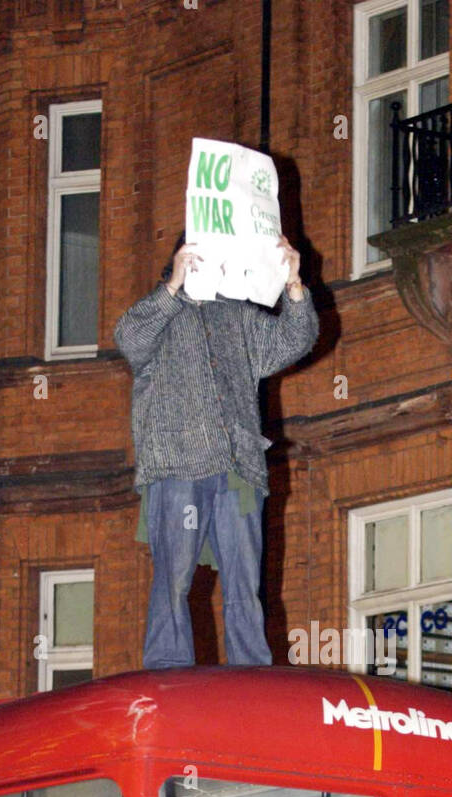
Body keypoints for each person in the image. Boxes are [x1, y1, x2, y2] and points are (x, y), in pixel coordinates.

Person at [115, 232, 318, 668]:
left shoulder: (236, 316)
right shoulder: (162, 313)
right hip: (177, 464)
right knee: (173, 577)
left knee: (245, 581)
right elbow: (129, 339)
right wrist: (173, 286)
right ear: (181, 259)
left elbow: (293, 341)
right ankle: (168, 670)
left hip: (239, 468)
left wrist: (294, 286)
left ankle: (251, 672)